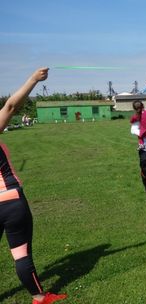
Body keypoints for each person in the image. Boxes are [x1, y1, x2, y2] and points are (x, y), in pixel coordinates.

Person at [0, 68, 67, 304]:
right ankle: (39, 297)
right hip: (11, 201)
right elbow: (10, 107)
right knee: (21, 253)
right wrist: (33, 80)